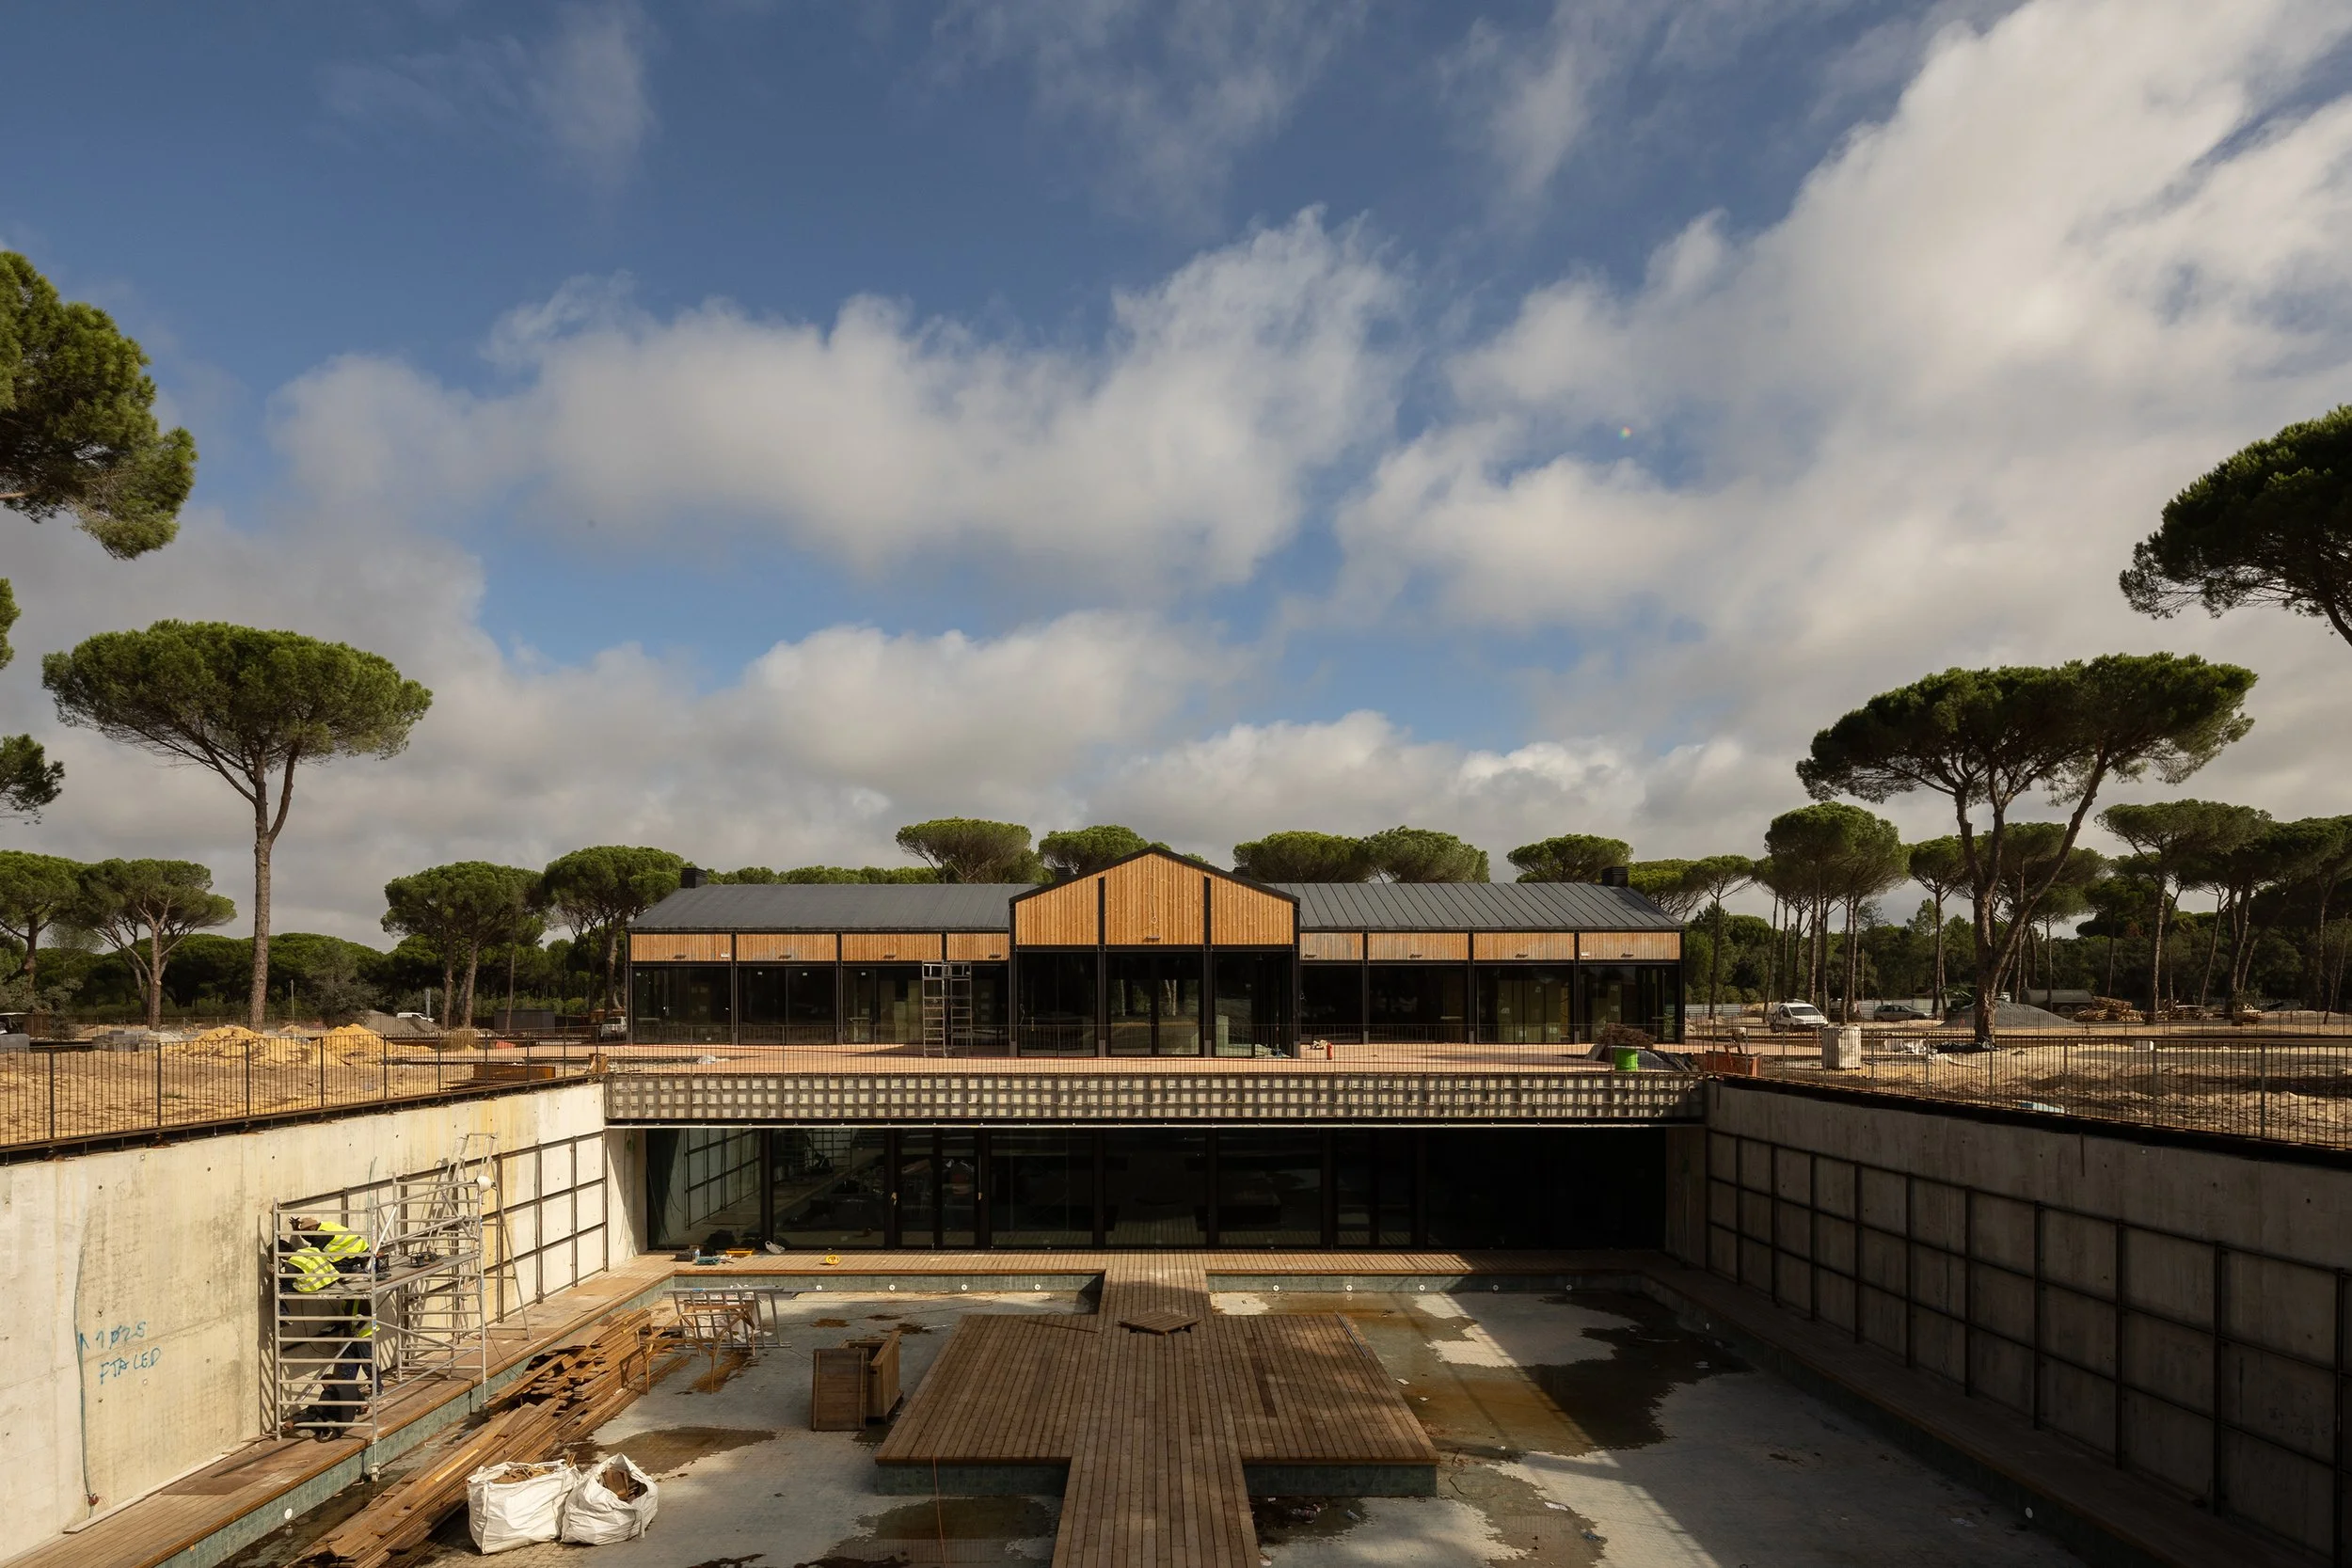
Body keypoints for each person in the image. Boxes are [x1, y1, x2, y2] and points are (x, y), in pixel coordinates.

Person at [278, 1216, 375, 1436]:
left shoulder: (313, 1246)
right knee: (351, 1366)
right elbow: (313, 1240)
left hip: (359, 1332)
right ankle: (371, 1389)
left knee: (367, 1364)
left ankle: (283, 1316)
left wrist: (278, 1273)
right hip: (344, 1312)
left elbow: (365, 1316)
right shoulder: (312, 1248)